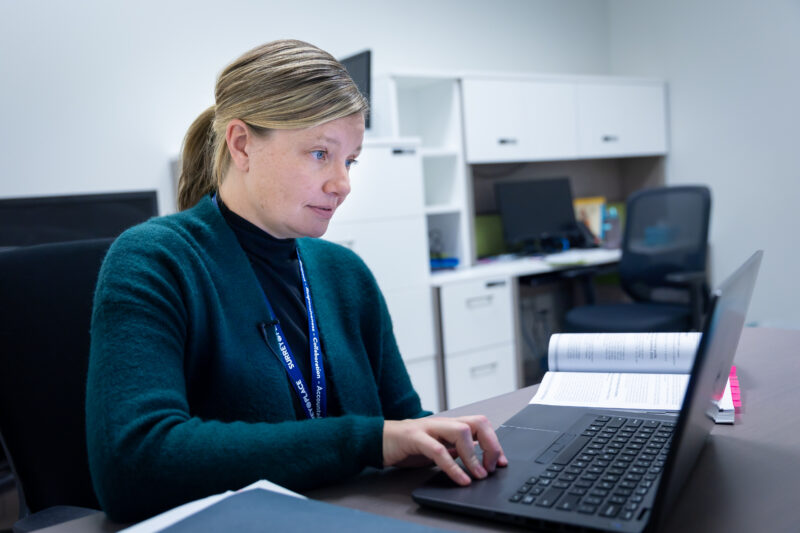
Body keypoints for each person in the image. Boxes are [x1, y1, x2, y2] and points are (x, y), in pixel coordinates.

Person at [86, 39, 507, 523]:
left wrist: (438, 441)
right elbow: (133, 463)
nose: (342, 184)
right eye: (319, 154)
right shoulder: (155, 260)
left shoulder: (345, 274)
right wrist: (367, 442)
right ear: (242, 144)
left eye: (349, 161)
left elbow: (402, 424)